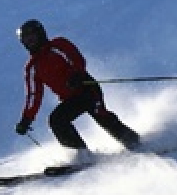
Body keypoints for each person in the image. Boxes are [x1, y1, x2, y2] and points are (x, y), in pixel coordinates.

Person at [14, 19, 140, 154]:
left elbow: (76, 59)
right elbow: (34, 95)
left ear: (40, 34)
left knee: (101, 116)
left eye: (31, 37)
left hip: (87, 89)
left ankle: (134, 143)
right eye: (25, 39)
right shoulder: (32, 67)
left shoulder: (58, 45)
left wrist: (76, 75)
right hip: (70, 99)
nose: (29, 41)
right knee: (57, 120)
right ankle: (81, 154)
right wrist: (26, 119)